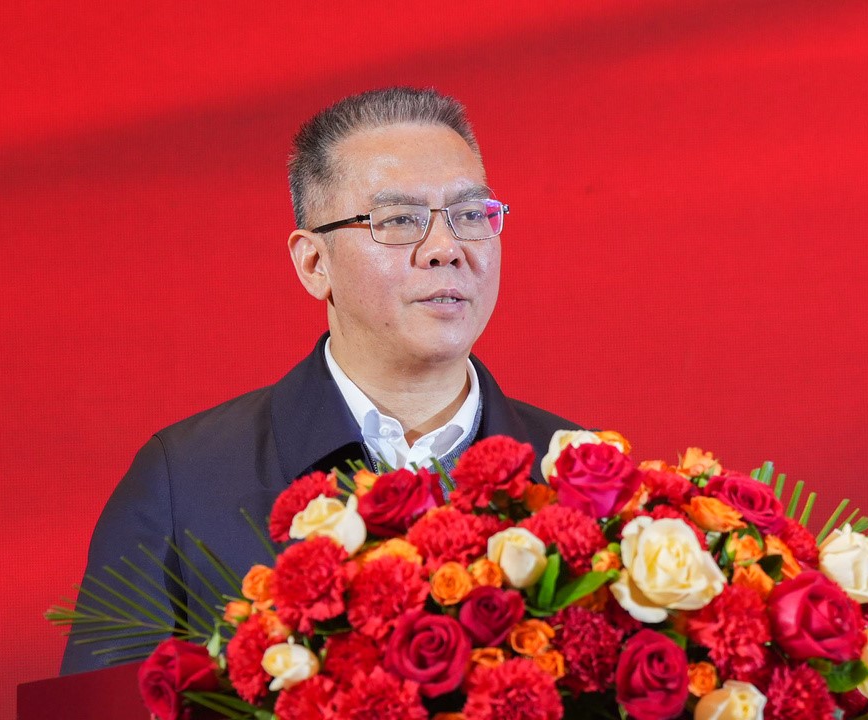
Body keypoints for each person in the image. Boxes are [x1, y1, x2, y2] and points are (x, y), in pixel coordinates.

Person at [59, 87, 579, 675]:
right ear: (313, 263)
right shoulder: (185, 482)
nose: (446, 249)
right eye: (399, 220)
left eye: (471, 215)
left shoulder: (580, 478)